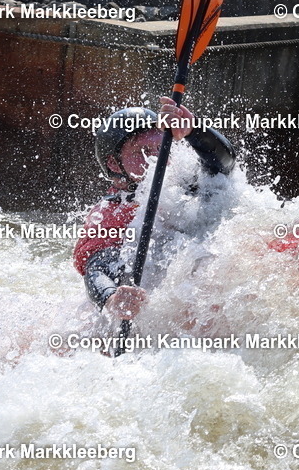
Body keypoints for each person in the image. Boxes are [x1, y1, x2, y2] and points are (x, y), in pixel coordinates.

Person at [72, 96, 235, 325]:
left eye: (161, 148)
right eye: (144, 151)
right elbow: (97, 269)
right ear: (113, 163)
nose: (159, 159)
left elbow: (223, 167)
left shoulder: (180, 182)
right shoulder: (109, 214)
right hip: (129, 315)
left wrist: (194, 131)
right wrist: (111, 298)